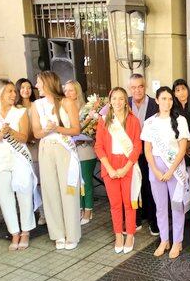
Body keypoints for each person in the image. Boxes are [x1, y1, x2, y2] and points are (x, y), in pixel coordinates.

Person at [0, 79, 35, 251]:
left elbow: (24, 137)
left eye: (14, 91)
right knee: (5, 197)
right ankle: (14, 232)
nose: (14, 94)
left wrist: (10, 131)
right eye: (9, 91)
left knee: (24, 193)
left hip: (19, 156)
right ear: (0, 93)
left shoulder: (20, 112)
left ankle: (26, 231)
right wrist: (1, 134)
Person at [32, 70, 82, 251]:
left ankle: (72, 233)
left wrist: (57, 128)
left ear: (47, 83)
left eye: (39, 82)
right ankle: (58, 233)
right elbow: (36, 133)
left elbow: (76, 129)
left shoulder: (67, 102)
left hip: (64, 149)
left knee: (68, 190)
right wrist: (47, 131)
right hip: (46, 149)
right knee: (50, 190)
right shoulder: (36, 105)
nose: (36, 86)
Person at [142, 86, 190, 259]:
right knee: (160, 207)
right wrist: (154, 169)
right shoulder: (149, 123)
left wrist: (171, 170)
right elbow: (147, 149)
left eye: (170, 99)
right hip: (155, 168)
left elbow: (182, 149)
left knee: (177, 207)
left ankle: (177, 241)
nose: (167, 102)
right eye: (163, 99)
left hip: (175, 169)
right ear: (157, 100)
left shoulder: (180, 120)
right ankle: (164, 240)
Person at [95, 87, 142, 255]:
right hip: (110, 165)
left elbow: (137, 147)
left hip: (127, 164)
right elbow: (98, 146)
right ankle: (118, 236)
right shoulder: (104, 121)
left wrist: (125, 168)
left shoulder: (133, 121)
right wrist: (109, 167)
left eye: (121, 98)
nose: (117, 102)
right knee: (115, 204)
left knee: (129, 203)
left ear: (126, 101)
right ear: (110, 101)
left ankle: (130, 234)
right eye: (114, 98)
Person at [128, 73, 158, 236]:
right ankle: (136, 218)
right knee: (133, 186)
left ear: (145, 86)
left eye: (140, 86)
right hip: (131, 154)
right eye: (133, 87)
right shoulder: (124, 103)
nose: (137, 90)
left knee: (150, 187)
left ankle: (154, 221)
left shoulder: (155, 104)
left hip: (150, 153)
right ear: (129, 88)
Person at [64, 80, 96, 226]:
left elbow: (93, 132)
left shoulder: (86, 110)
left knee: (86, 182)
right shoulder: (64, 110)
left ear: (77, 91)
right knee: (76, 182)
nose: (68, 93)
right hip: (70, 152)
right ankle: (80, 209)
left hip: (85, 151)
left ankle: (88, 211)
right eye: (66, 90)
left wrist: (83, 136)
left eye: (71, 90)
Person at [172, 79, 190, 217]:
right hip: (177, 152)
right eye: (177, 90)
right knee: (179, 184)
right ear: (174, 93)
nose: (181, 92)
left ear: (188, 90)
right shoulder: (172, 109)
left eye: (183, 89)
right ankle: (181, 210)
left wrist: (189, 146)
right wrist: (182, 149)